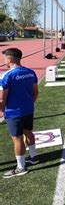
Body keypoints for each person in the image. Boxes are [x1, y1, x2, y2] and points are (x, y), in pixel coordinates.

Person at [0, 48, 39, 178]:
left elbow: (2, 98)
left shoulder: (7, 75)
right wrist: (28, 103)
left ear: (10, 59)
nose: (4, 60)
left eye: (5, 58)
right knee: (28, 132)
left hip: (14, 112)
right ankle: (34, 157)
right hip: (28, 109)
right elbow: (36, 93)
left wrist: (2, 110)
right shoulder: (30, 72)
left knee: (17, 139)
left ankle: (21, 167)